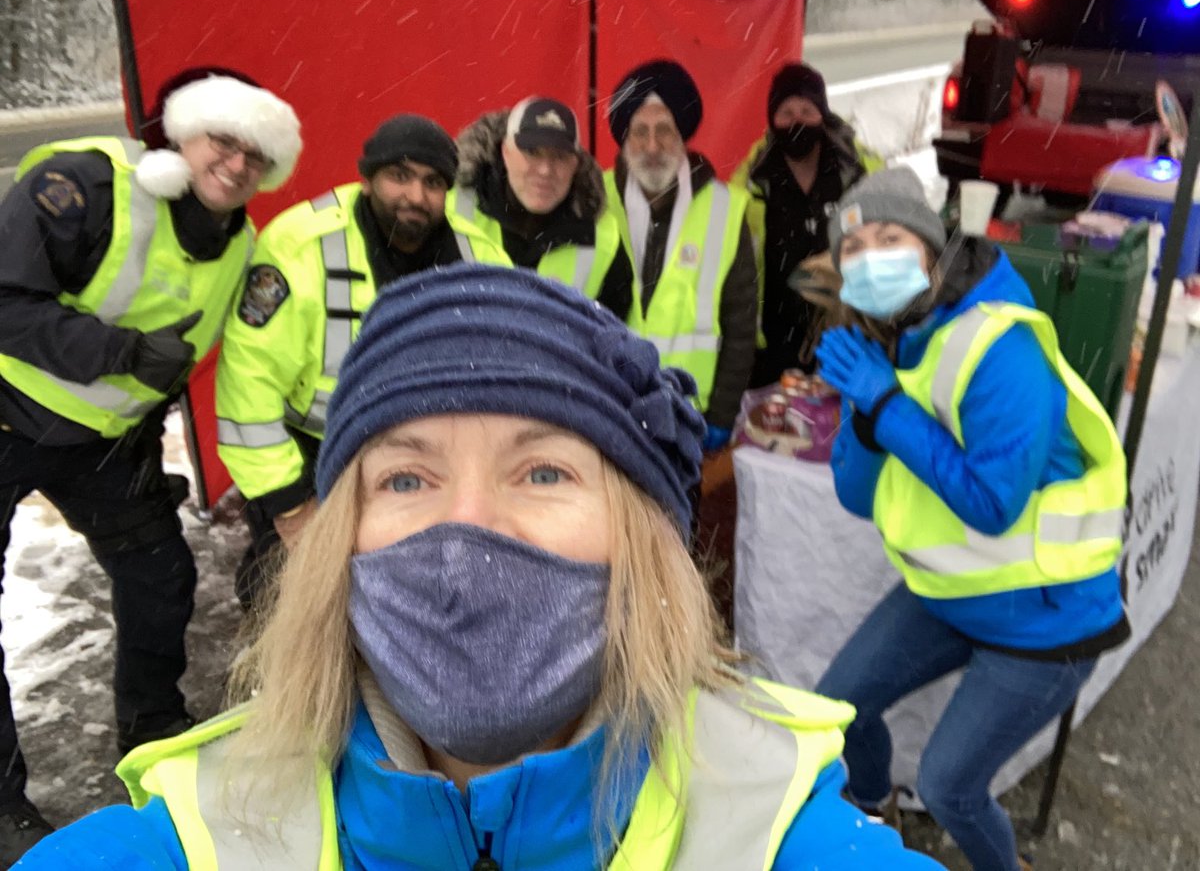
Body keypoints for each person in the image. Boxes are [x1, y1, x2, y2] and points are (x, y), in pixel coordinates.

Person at [18, 263, 944, 870]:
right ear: (343, 536)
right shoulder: (203, 831)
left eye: (543, 470)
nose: (467, 530)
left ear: (641, 542)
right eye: (408, 477)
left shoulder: (776, 828)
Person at [0, 68, 300, 862]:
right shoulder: (87, 185)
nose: (236, 166)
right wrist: (124, 352)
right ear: (185, 135)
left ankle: (155, 731)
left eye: (255, 158)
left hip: (102, 445)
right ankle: (1, 802)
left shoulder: (241, 246)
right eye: (224, 142)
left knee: (160, 576)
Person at [811, 167, 1129, 871]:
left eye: (889, 237)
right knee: (837, 710)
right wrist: (868, 418)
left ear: (932, 246)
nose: (871, 258)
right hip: (957, 592)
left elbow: (994, 504)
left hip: (1048, 617)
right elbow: (856, 497)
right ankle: (872, 813)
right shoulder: (887, 336)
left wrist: (887, 406)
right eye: (853, 247)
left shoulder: (998, 345)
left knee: (950, 788)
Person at [214, 113, 460, 611]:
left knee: (407, 603)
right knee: (295, 603)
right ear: (367, 179)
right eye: (400, 176)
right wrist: (289, 505)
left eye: (433, 182)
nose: (416, 195)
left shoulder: (480, 256)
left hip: (427, 456)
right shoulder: (301, 246)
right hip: (315, 456)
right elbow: (249, 386)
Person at [604, 59, 757, 453]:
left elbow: (741, 323)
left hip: (688, 414)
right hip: (609, 406)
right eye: (640, 132)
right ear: (624, 140)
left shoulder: (724, 209)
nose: (652, 146)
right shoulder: (595, 199)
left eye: (664, 131)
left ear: (683, 138)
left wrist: (723, 414)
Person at [731, 62, 883, 387]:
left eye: (806, 110)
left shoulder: (860, 172)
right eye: (785, 112)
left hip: (846, 340)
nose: (796, 121)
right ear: (772, 120)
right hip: (770, 345)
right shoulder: (750, 182)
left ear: (823, 114)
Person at [448, 96, 632, 318]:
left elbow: (613, 340)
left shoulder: (604, 238)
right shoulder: (449, 212)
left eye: (560, 157)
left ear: (575, 164)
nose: (545, 170)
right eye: (533, 152)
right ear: (506, 152)